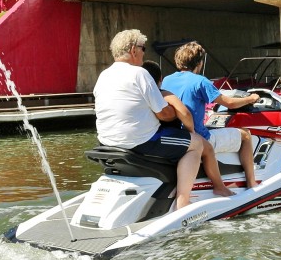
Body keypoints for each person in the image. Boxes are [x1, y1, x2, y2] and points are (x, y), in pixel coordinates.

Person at [93, 29, 205, 211]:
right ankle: (183, 201)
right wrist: (174, 109)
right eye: (143, 48)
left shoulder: (103, 75)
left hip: (107, 141)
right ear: (132, 50)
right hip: (140, 142)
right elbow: (164, 114)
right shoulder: (139, 74)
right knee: (196, 143)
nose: (144, 53)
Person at [162, 41, 259, 189]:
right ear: (199, 63)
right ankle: (252, 183)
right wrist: (251, 98)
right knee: (245, 135)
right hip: (198, 136)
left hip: (176, 135)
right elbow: (230, 103)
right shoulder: (200, 81)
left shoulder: (167, 80)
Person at [142, 60, 234, 197]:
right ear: (160, 79)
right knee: (205, 147)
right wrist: (191, 132)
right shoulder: (163, 94)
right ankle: (218, 187)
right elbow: (185, 114)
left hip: (143, 137)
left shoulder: (138, 95)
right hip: (161, 137)